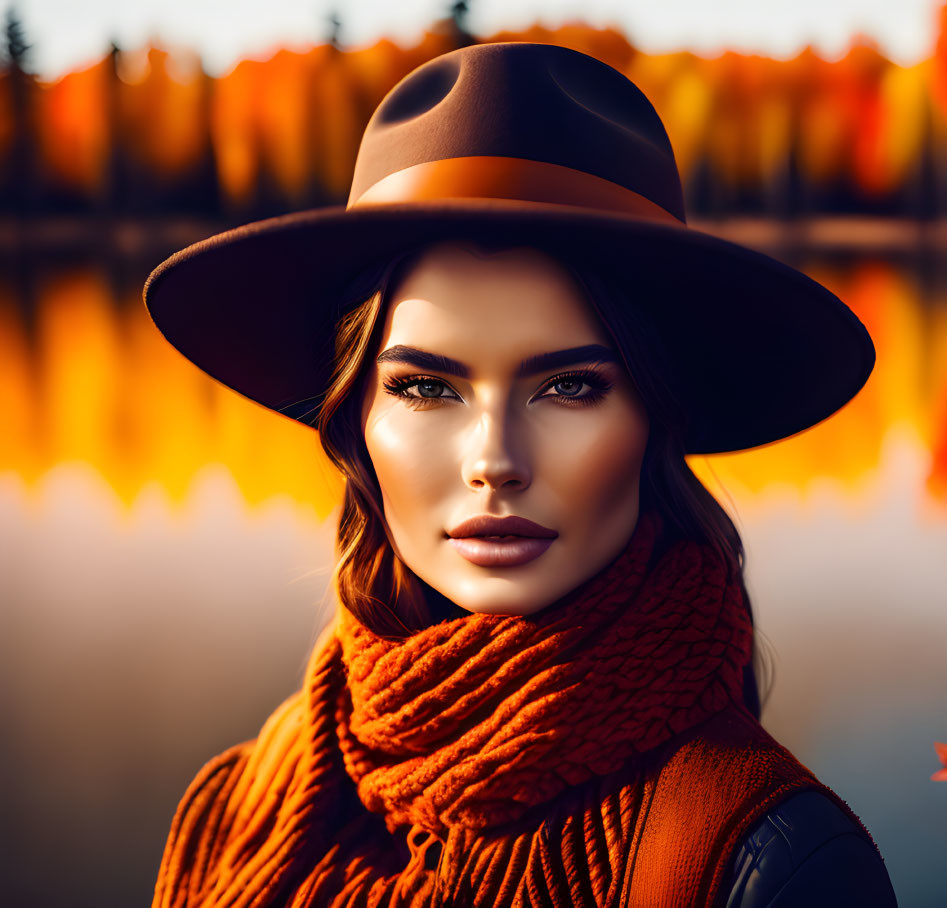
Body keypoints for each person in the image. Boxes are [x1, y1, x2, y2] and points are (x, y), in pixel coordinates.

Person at [144, 41, 897, 907]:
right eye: (426, 387)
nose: (493, 460)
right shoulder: (249, 795)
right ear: (353, 419)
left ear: (656, 417)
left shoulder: (766, 863)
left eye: (569, 386)